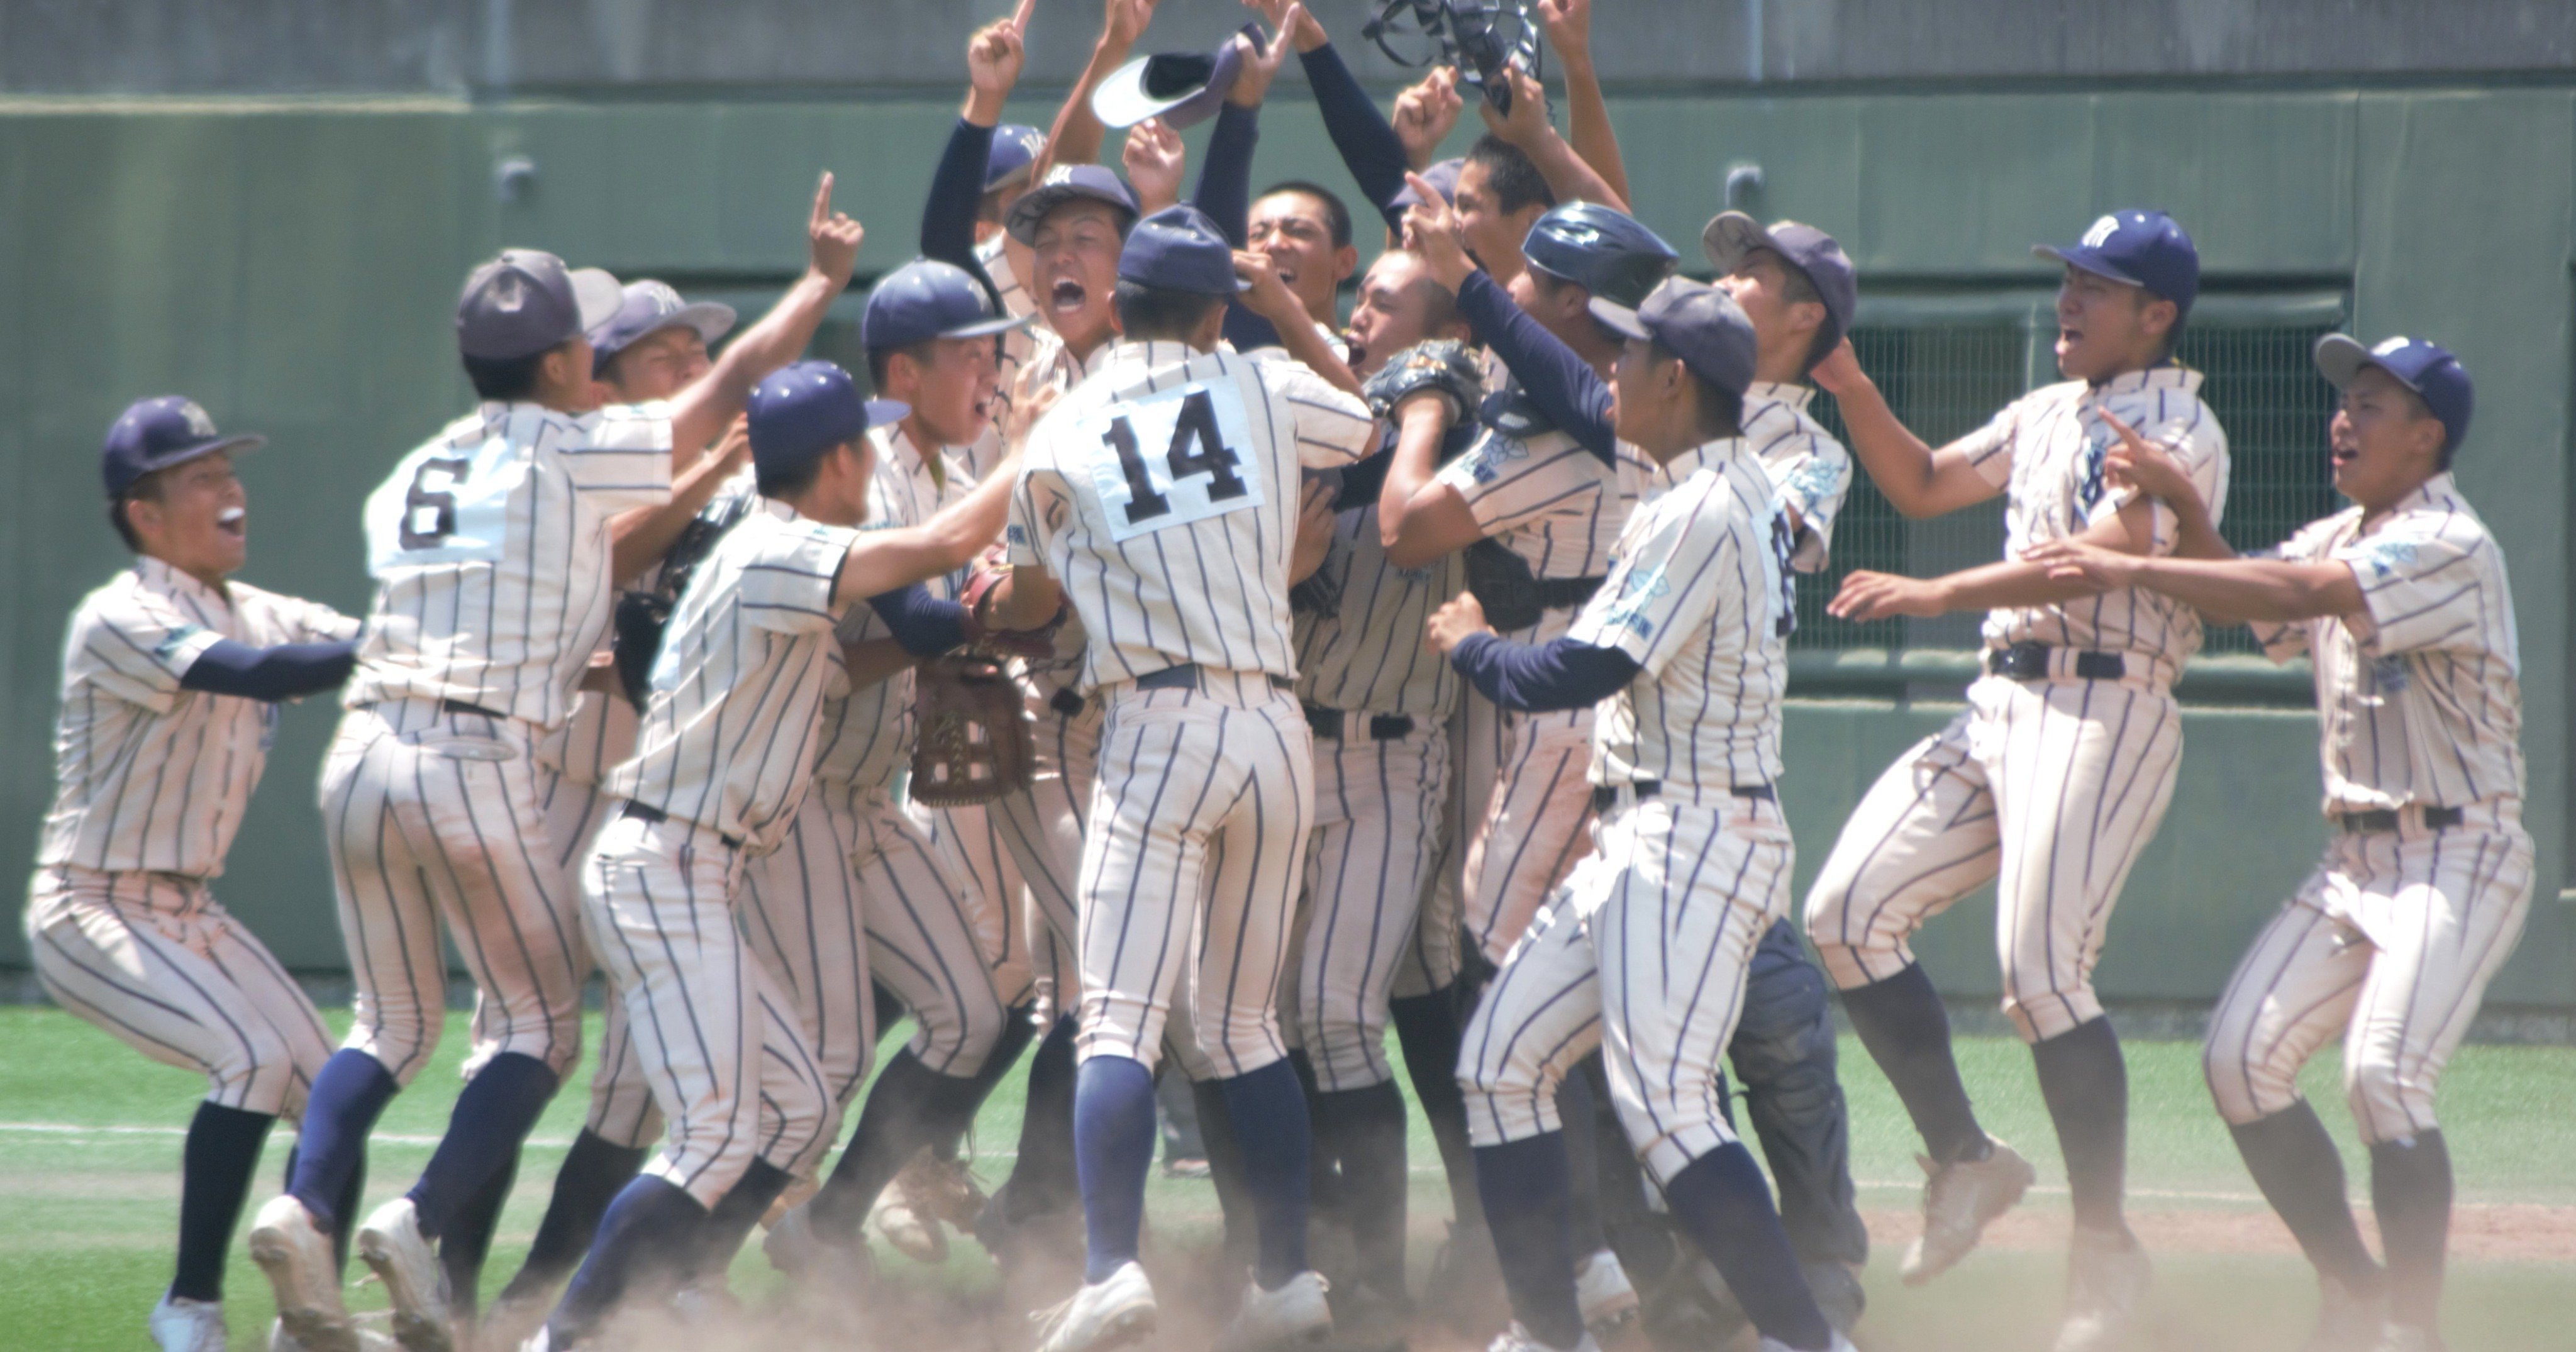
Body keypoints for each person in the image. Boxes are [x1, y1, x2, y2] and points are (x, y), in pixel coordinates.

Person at [522, 359, 1035, 1348]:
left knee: (797, 1108)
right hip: (664, 864)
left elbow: (856, 655)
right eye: (863, 443)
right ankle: (567, 1333)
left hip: (698, 867)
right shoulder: (780, 546)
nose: (872, 458)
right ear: (841, 458)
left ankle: (664, 1286)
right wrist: (1030, 441)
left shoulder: (780, 547)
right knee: (718, 1134)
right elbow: (948, 539)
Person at [2029, 336, 2524, 1352]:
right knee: (2238, 1060)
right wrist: (2192, 517)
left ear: (2428, 437)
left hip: (2460, 851)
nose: (2344, 416)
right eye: (2345, 398)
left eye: (2373, 404)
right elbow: (2237, 593)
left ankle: (2414, 1330)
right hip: (2359, 858)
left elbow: (2303, 597)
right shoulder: (2346, 528)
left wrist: (2120, 558)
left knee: (2382, 1076)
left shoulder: (2447, 540)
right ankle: (2354, 1285)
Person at [1799, 209, 2228, 1351]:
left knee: (2041, 971)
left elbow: (2085, 558)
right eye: (2069, 279)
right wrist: (1846, 382)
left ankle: (2104, 1250)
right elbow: (1926, 482)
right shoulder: (2049, 409)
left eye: (2098, 286)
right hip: (2001, 700)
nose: (2070, 300)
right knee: (1846, 914)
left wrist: (1933, 598)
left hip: (2106, 698)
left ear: (2158, 315)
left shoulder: (2176, 425)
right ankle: (1967, 1160)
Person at [455, 184, 864, 1330]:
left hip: (662, 799)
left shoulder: (737, 478)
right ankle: (451, 1283)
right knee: (521, 1046)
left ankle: (560, 1299)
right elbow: (610, 561)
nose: (691, 362)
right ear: (598, 375)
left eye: (701, 346)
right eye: (661, 351)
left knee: (644, 1094)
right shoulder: (575, 462)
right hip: (556, 789)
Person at [974, 204, 1377, 1352]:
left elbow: (1032, 604)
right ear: (1212, 310)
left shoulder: (1056, 430)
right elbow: (1363, 419)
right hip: (1275, 724)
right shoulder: (1254, 376)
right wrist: (1285, 315)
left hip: (1154, 724)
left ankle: (1111, 1270)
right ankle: (1286, 1276)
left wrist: (990, 612)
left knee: (1117, 1022)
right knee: (1247, 1023)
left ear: (1117, 301)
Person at [1423, 276, 1852, 1352]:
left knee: (1665, 1106)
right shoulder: (1719, 486)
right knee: (1502, 1062)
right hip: (1648, 827)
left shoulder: (1703, 504)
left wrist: (1476, 643)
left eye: (1626, 356)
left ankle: (1814, 1343)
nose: (1609, 369)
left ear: (1675, 379)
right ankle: (1548, 1332)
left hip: (1695, 832)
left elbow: (1580, 666)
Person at [29, 398, 358, 1352]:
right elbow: (254, 671)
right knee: (250, 1057)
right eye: (204, 477)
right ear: (146, 511)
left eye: (230, 472)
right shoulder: (121, 613)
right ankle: (191, 1306)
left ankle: (307, 1322)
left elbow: (350, 643)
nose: (232, 492)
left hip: (189, 909)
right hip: (90, 906)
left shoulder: (251, 603)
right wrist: (385, 651)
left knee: (332, 1088)